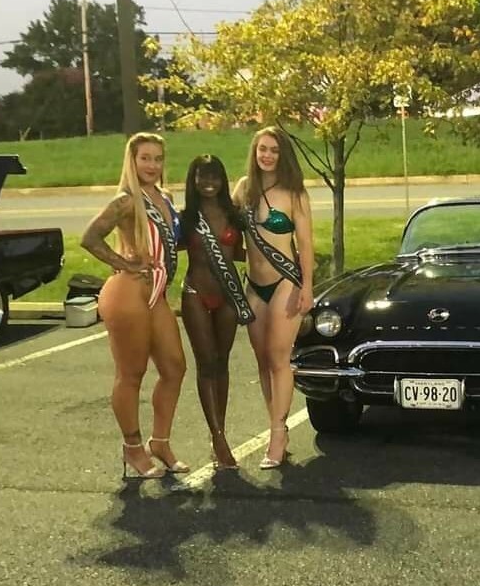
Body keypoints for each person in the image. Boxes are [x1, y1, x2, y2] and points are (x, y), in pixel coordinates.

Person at [82, 132, 188, 480]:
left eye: (157, 159)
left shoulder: (165, 197)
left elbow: (171, 242)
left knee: (175, 367)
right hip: (129, 292)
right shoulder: (126, 201)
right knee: (131, 373)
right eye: (145, 158)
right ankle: (132, 447)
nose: (152, 165)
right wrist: (124, 262)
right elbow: (90, 237)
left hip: (157, 293)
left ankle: (161, 442)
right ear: (132, 161)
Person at [232, 126, 314, 470]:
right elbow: (226, 228)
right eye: (262, 149)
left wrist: (307, 287)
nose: (266, 155)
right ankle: (276, 423)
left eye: (274, 150)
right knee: (263, 359)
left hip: (285, 282)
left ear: (283, 156)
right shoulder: (244, 189)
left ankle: (277, 434)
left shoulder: (294, 193)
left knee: (279, 357)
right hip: (254, 285)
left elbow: (306, 245)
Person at [179, 154, 253, 471]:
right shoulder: (186, 218)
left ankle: (218, 432)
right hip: (196, 294)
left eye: (214, 177)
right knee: (206, 362)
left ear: (222, 181)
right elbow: (164, 249)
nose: (208, 183)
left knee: (222, 362)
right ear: (193, 180)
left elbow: (241, 253)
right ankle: (219, 437)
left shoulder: (234, 215)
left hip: (227, 296)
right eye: (202, 177)